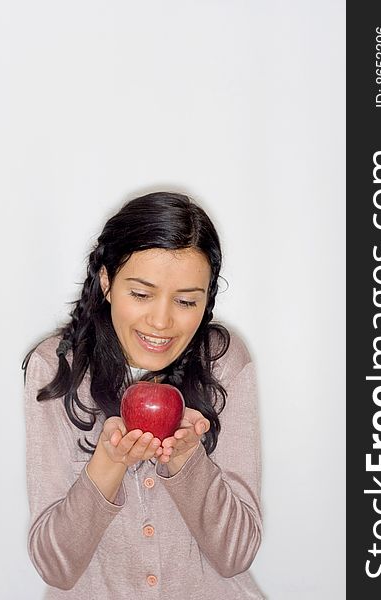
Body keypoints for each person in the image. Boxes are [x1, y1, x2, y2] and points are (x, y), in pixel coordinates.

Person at [23, 191, 263, 599]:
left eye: (187, 300)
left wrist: (188, 459)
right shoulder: (56, 368)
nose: (162, 321)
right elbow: (55, 567)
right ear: (107, 283)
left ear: (206, 301)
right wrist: (108, 463)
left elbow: (236, 554)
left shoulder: (223, 360)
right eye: (141, 293)